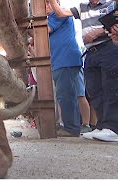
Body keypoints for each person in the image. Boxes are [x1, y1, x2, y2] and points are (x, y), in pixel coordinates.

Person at [49, 0, 118, 142]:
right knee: (94, 90)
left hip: (108, 48)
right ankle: (101, 126)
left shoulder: (111, 4)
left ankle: (112, 128)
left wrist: (101, 31)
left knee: (110, 89)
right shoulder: (82, 7)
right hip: (90, 52)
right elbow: (62, 13)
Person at [46, 0, 86, 137]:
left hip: (65, 60)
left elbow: (45, 30)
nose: (46, 7)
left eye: (47, 3)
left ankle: (71, 128)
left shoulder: (58, 14)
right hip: (61, 61)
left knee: (66, 95)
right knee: (66, 95)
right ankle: (71, 126)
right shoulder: (52, 17)